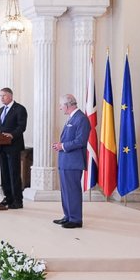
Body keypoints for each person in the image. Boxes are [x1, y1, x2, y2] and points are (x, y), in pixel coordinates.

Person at [53, 93, 90, 229]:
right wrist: (60, 146)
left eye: (61, 105)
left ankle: (75, 219)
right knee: (65, 191)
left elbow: (81, 141)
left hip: (73, 162)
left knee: (72, 190)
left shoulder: (81, 119)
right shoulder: (72, 118)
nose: (60, 108)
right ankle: (68, 216)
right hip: (66, 161)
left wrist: (62, 146)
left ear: (68, 105)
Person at [0, 87, 27, 209]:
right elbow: (1, 128)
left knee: (14, 173)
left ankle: (17, 200)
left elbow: (21, 127)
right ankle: (8, 197)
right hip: (2, 146)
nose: (1, 98)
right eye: (0, 96)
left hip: (14, 146)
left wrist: (12, 134)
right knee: (4, 173)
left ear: (10, 96)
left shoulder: (19, 109)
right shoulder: (1, 110)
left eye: (3, 95)